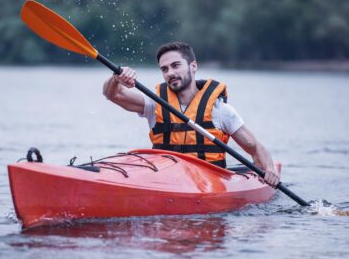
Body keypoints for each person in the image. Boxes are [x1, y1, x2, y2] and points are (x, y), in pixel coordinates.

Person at [102, 42, 280, 187]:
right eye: (164, 69)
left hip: (208, 183)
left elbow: (254, 147)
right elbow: (113, 94)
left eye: (175, 65)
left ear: (193, 66)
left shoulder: (220, 111)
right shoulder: (154, 104)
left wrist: (269, 170)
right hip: (163, 180)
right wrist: (116, 79)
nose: (170, 73)